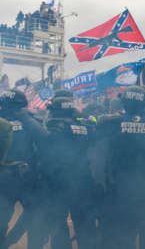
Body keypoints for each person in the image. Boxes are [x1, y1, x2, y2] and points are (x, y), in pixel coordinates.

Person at [97, 85, 145, 249]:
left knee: (125, 230)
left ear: (124, 102)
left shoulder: (111, 123)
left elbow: (99, 152)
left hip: (120, 186)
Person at [38, 90, 99, 249]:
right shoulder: (85, 125)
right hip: (83, 180)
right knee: (84, 222)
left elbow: (45, 155)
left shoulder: (52, 127)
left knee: (58, 224)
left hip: (58, 182)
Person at [0, 89, 47, 249]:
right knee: (34, 218)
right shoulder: (30, 121)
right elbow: (44, 142)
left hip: (6, 179)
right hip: (27, 177)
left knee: (2, 218)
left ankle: (5, 243)